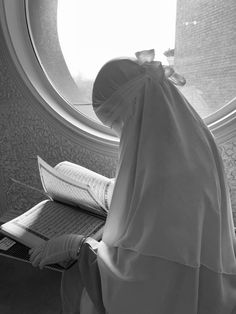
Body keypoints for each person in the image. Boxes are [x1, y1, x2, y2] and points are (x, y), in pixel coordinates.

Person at [29, 49, 236, 314]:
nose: (121, 137)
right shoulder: (190, 138)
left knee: (73, 283)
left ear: (134, 112)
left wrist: (80, 248)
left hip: (182, 296)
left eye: (118, 124)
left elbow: (142, 287)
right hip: (204, 283)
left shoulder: (165, 174)